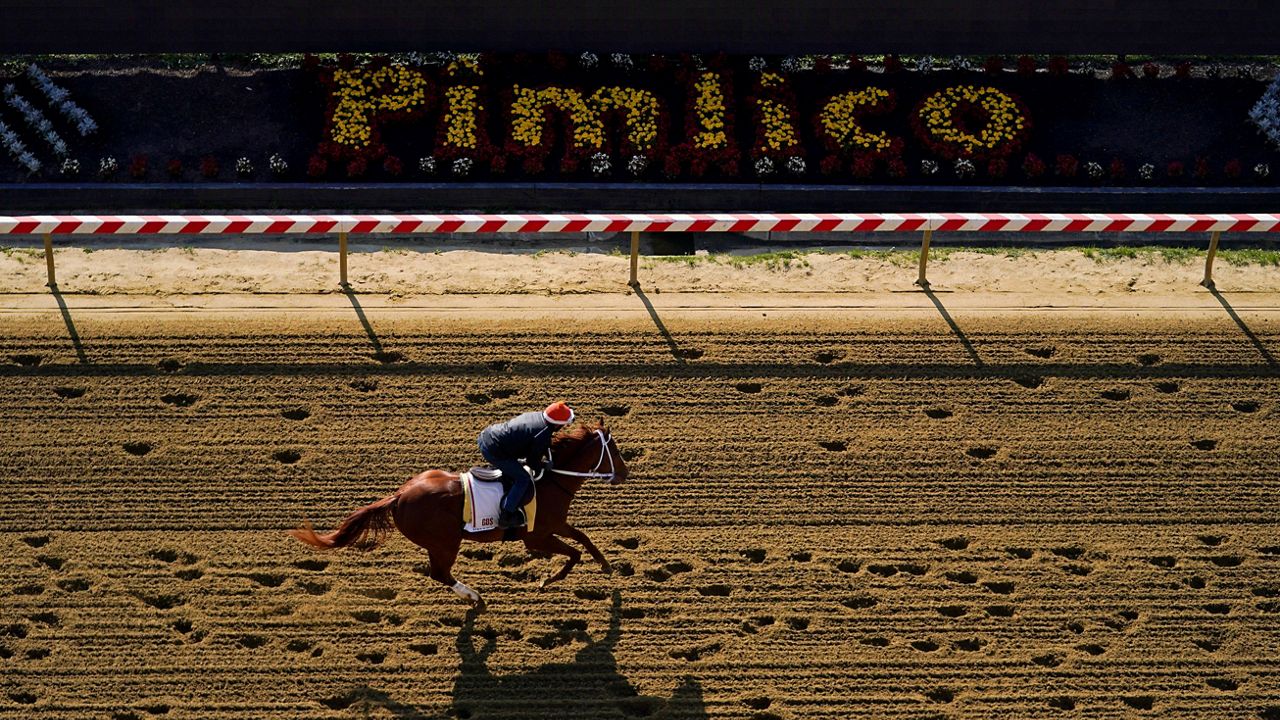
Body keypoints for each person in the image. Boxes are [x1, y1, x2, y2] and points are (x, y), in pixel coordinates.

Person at [478, 401, 575, 529]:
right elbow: (532, 462)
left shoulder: (538, 416)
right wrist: (544, 465)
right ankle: (506, 515)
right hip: (493, 450)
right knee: (523, 478)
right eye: (563, 424)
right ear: (557, 424)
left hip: (487, 435)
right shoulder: (543, 432)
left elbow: (535, 440)